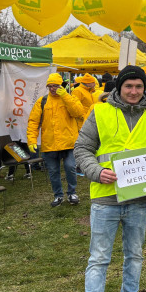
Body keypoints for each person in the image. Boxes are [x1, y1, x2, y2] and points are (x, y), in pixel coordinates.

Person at [74, 66, 146, 292]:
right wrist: (96, 171)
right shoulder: (99, 112)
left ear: (145, 88)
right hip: (105, 198)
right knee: (99, 260)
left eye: (139, 86)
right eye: (129, 86)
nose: (134, 91)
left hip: (138, 201)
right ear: (119, 88)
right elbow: (81, 149)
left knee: (134, 255)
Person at [27, 73, 86, 207]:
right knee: (53, 172)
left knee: (70, 167)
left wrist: (65, 96)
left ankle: (72, 193)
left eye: (56, 86)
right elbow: (33, 122)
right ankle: (58, 196)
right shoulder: (42, 101)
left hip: (69, 142)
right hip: (50, 144)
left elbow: (78, 112)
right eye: (50, 86)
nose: (53, 88)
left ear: (62, 85)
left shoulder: (69, 98)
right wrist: (31, 140)